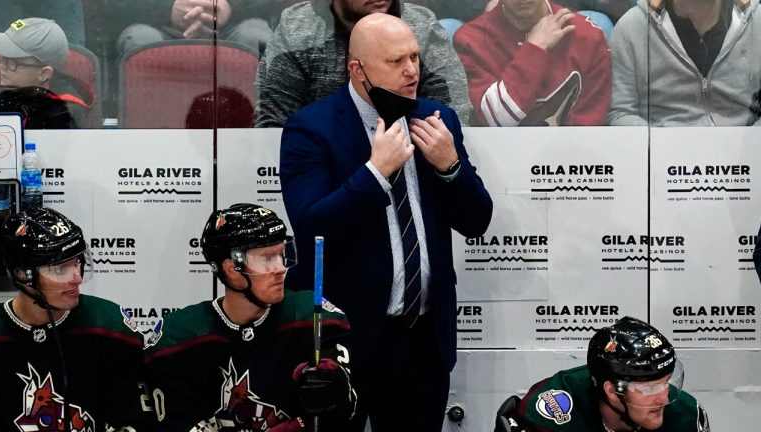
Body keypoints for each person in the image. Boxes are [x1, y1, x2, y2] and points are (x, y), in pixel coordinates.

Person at [279, 13, 493, 431]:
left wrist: (451, 167)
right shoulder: (311, 128)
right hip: (345, 342)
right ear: (357, 69)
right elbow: (311, 227)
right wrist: (375, 174)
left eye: (414, 57)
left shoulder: (437, 120)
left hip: (423, 339)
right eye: (397, 61)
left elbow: (476, 221)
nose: (412, 70)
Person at [143, 203, 356, 431]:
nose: (281, 268)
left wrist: (336, 391)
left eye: (281, 254)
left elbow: (344, 410)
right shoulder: (178, 340)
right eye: (266, 259)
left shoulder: (313, 319)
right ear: (232, 269)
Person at [0, 206, 147, 430]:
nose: (76, 277)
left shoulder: (108, 326)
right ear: (21, 274)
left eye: (77, 262)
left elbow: (136, 420)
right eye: (60, 268)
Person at [255, 0, 473, 128]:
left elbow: (452, 114)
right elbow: (273, 123)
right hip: (321, 163)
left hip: (410, 161)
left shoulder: (422, 25)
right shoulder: (297, 28)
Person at [494, 316, 710, 432]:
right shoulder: (556, 410)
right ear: (612, 392)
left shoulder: (686, 416)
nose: (663, 399)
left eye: (665, 384)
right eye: (650, 389)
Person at [453, 0, 611, 126]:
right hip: (500, 158)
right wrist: (535, 48)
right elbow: (496, 121)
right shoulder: (470, 40)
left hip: (570, 160)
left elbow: (590, 129)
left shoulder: (588, 36)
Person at [607, 0, 761, 126]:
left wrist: (751, 144)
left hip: (745, 154)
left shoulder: (757, 21)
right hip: (663, 156)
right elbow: (619, 112)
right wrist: (660, 149)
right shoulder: (631, 27)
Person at [0, 17, 91, 128]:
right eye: (3, 57)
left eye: (12, 63)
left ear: (44, 74)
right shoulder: (8, 93)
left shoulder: (62, 113)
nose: (1, 66)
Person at [117, 0, 276, 57]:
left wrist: (230, 6)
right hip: (159, 27)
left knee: (257, 39)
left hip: (235, 26)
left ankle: (265, 131)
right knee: (140, 42)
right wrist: (167, 9)